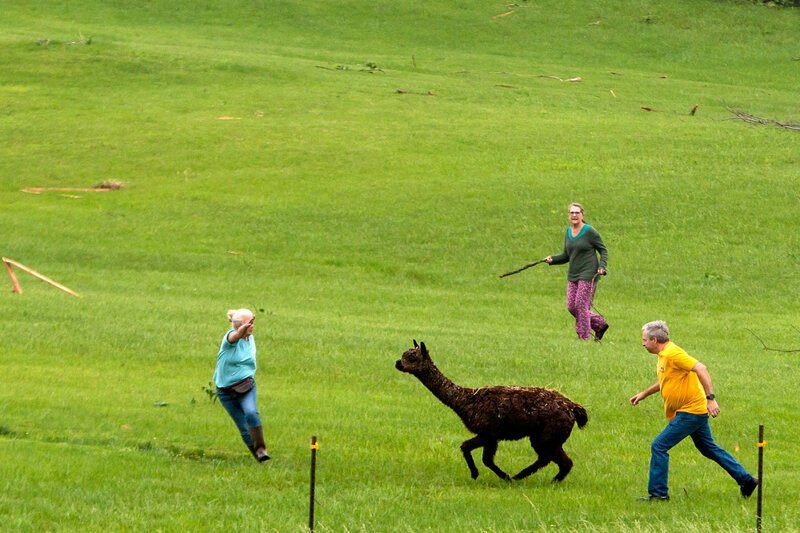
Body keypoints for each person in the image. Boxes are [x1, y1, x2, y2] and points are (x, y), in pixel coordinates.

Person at [629, 320, 758, 501]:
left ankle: (658, 495)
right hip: (691, 410)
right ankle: (746, 480)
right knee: (708, 448)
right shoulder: (664, 355)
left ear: (655, 340)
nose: (642, 343)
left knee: (659, 446)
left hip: (690, 411)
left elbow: (701, 368)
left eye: (644, 340)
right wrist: (644, 393)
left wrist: (710, 399)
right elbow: (667, 380)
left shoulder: (673, 353)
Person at [545, 202, 609, 341]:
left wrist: (602, 266)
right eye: (572, 213)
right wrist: (553, 259)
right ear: (569, 215)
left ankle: (583, 337)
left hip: (588, 273)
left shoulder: (589, 231)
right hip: (573, 274)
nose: (574, 215)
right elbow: (567, 256)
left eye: (577, 213)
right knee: (571, 307)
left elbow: (603, 250)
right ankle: (599, 324)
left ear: (582, 215)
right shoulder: (568, 233)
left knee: (581, 305)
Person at [213, 308, 270, 462]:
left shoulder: (250, 338)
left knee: (251, 413)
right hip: (226, 392)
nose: (252, 326)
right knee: (244, 427)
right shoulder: (230, 340)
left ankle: (261, 450)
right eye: (249, 323)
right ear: (241, 326)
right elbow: (235, 336)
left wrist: (245, 330)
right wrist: (240, 331)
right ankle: (258, 459)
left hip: (246, 386)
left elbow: (244, 334)